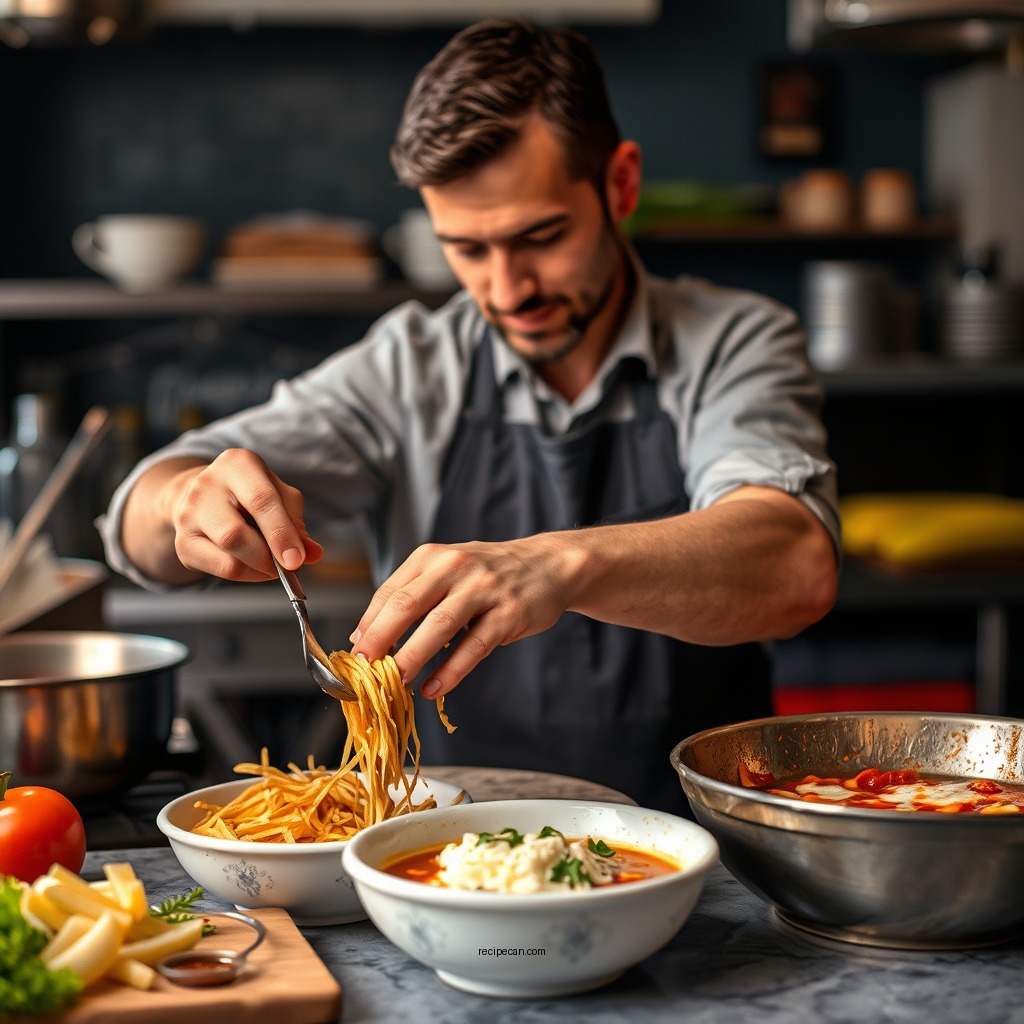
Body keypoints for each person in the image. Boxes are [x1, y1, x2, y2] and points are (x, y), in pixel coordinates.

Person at [98, 19, 840, 815]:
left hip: (700, 845)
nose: (507, 287)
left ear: (620, 186)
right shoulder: (413, 365)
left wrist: (560, 567)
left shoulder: (735, 339)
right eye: (466, 248)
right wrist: (180, 501)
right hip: (452, 852)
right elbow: (136, 524)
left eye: (541, 236)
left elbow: (794, 562)